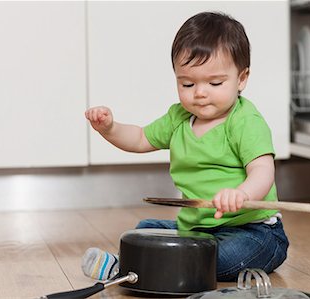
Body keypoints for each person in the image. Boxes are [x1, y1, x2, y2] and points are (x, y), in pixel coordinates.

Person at [82, 11, 289, 282]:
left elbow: (262, 170)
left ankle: (131, 268)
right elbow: (141, 138)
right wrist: (110, 128)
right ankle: (147, 264)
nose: (200, 92)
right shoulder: (178, 117)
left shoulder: (245, 121)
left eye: (215, 83)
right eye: (187, 83)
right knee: (145, 229)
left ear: (241, 79)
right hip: (198, 231)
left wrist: (241, 193)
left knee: (221, 256)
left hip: (253, 231)